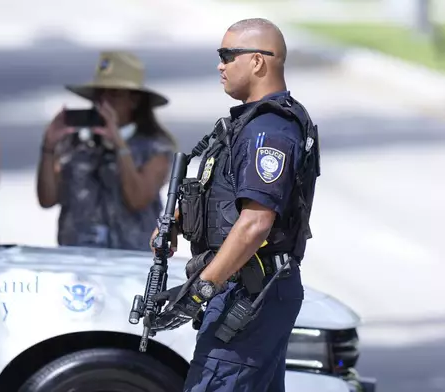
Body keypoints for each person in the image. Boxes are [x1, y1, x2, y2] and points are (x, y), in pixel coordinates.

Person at [149, 18, 321, 391]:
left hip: (249, 293)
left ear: (258, 62)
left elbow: (256, 222)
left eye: (227, 55)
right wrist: (179, 222)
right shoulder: (249, 125)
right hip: (250, 288)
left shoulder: (269, 130)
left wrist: (201, 290)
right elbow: (230, 203)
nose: (220, 66)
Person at [36, 51, 176, 251]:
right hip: (77, 258)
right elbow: (47, 199)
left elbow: (137, 199)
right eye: (100, 94)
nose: (104, 102)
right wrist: (48, 147)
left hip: (129, 261)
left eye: (114, 94)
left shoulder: (156, 147)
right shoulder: (74, 144)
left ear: (134, 100)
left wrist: (119, 145)